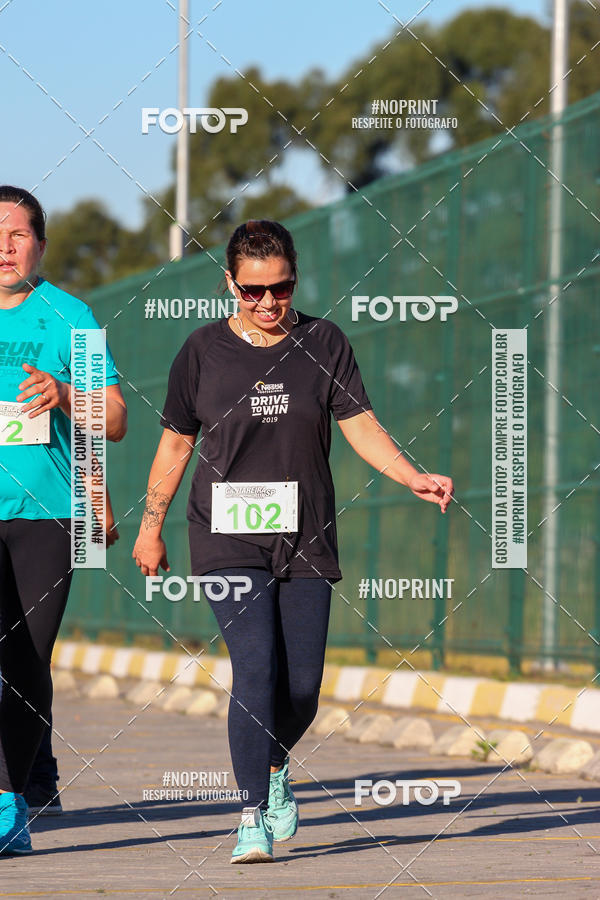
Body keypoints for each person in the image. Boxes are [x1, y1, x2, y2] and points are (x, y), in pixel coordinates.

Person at [132, 219, 453, 864]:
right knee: (256, 666)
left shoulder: (323, 341)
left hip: (305, 533)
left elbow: (359, 423)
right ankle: (252, 815)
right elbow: (176, 442)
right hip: (225, 534)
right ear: (230, 284)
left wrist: (410, 473)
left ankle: (273, 766)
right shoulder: (201, 351)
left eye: (279, 289)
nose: (267, 304)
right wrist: (150, 526)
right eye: (252, 292)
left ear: (294, 281)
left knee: (303, 684)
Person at [0, 186, 127, 853]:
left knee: (27, 664)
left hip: (49, 513)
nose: (4, 246)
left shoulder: (69, 316)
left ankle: (11, 800)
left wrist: (66, 394)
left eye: (17, 234)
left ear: (41, 246)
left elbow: (114, 420)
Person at [23, 488, 120, 816]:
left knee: (26, 658)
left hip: (46, 513)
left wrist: (100, 512)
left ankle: (37, 780)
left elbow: (108, 433)